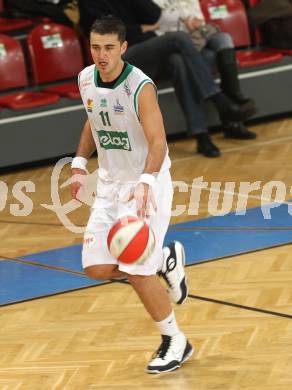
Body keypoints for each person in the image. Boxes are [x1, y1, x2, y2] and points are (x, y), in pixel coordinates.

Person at [71, 15, 193, 374]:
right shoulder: (85, 79)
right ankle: (165, 260)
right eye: (96, 47)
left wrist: (147, 181)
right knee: (96, 268)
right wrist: (79, 162)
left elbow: (158, 141)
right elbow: (95, 120)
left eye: (109, 47)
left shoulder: (140, 87)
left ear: (123, 48)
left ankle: (175, 340)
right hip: (109, 186)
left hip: (146, 185)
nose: (101, 55)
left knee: (137, 270)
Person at [78, 0, 256, 158]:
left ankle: (201, 135)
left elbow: (155, 15)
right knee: (178, 38)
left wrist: (145, 27)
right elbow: (106, 36)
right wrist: (142, 28)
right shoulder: (89, 3)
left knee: (178, 61)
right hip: (120, 59)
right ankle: (218, 100)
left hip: (146, 50)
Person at [153, 0, 257, 140]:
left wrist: (195, 23)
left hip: (196, 38)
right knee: (203, 58)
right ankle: (230, 119)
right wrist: (186, 21)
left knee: (224, 38)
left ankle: (234, 98)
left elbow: (200, 20)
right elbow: (159, 27)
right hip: (174, 45)